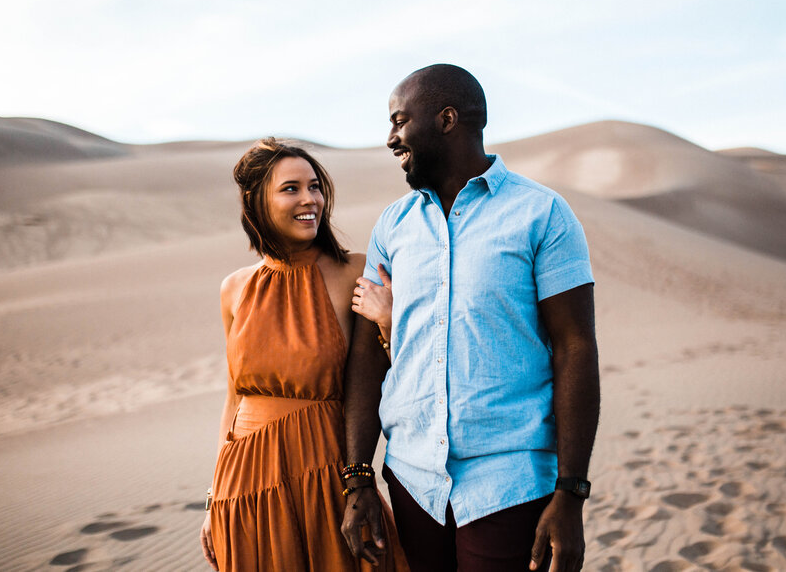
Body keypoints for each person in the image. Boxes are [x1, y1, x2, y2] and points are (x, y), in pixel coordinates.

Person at [343, 65, 601, 572]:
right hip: (412, 480)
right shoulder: (392, 226)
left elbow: (576, 347)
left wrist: (571, 494)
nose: (391, 138)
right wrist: (358, 477)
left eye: (399, 121)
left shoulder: (542, 214)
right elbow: (368, 354)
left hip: (509, 481)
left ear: (446, 119)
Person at [199, 138, 408, 572]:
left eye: (314, 186)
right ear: (257, 202)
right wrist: (213, 497)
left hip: (327, 475)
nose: (310, 198)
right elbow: (234, 398)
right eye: (290, 188)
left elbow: (385, 374)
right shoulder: (234, 288)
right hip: (244, 487)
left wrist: (388, 320)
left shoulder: (355, 270)